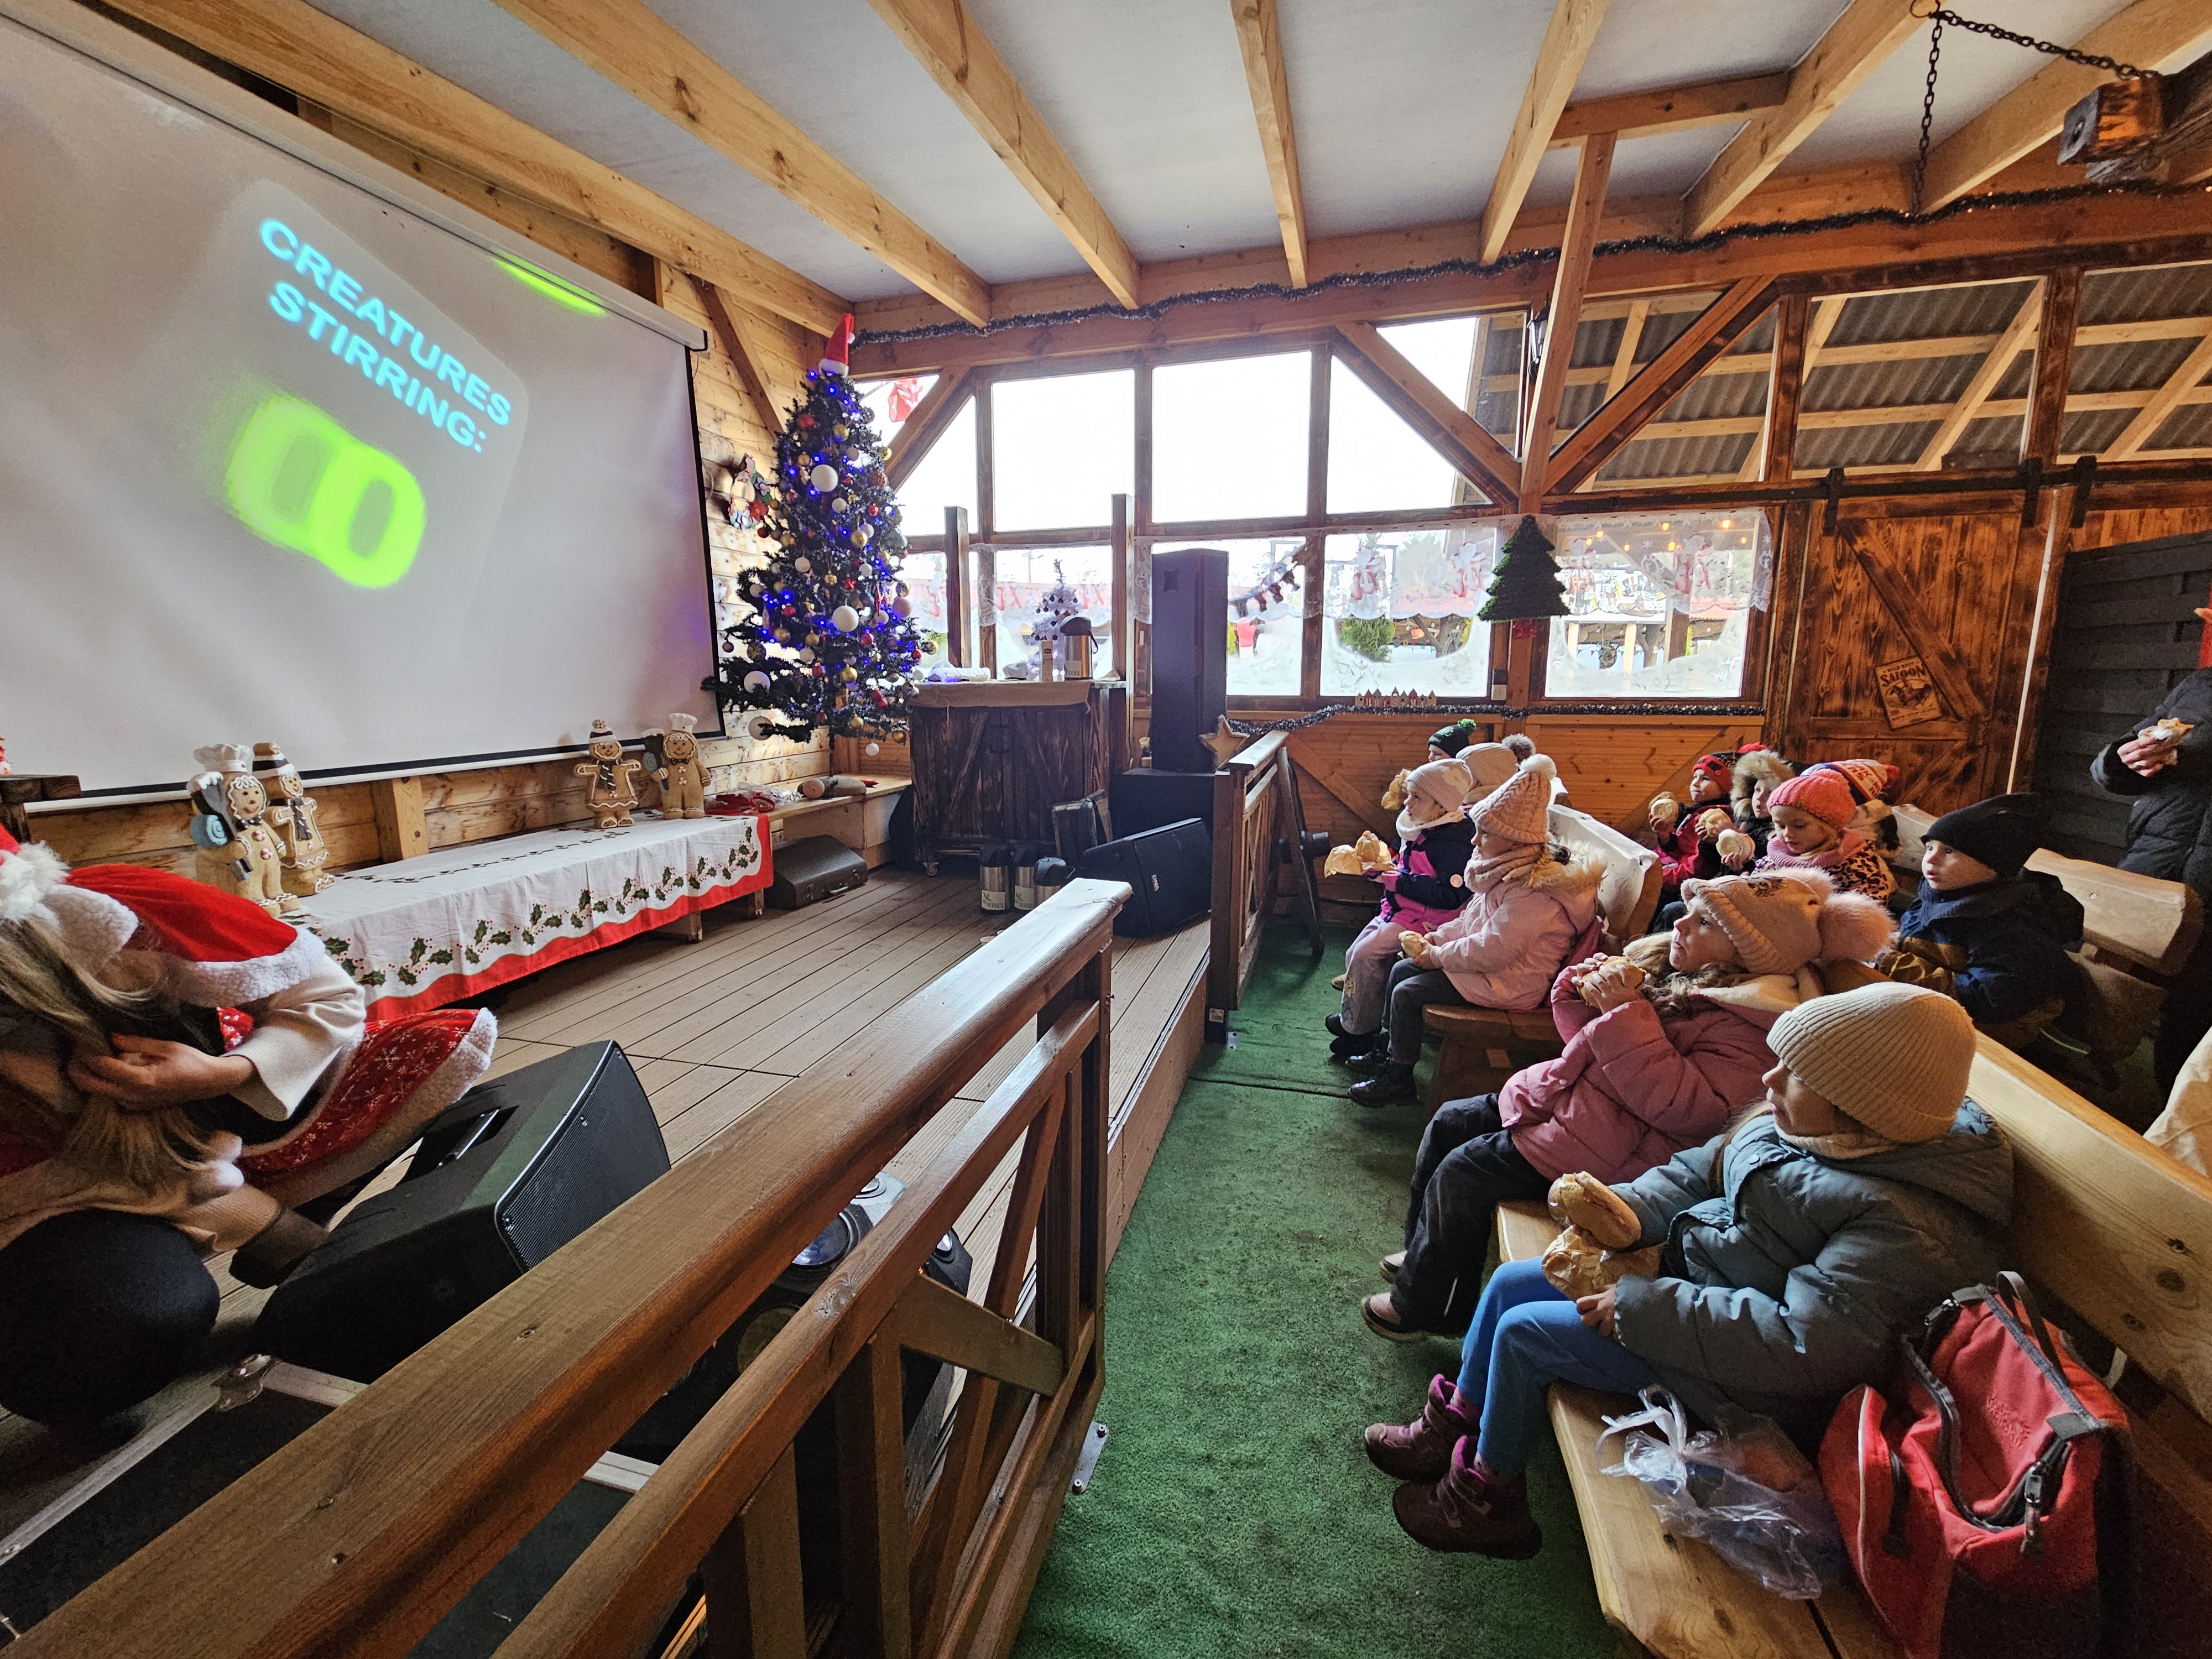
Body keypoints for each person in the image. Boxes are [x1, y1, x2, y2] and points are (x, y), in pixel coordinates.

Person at [1365, 982, 2012, 1557]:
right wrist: (1628, 1212)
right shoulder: (1804, 1130)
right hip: (1692, 1295)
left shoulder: (1902, 1222)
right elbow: (1696, 1172)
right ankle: (1458, 1421)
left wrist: (1642, 1308)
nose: (1769, 1079)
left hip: (1743, 1377)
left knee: (1526, 1334)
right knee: (1511, 1282)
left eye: (1795, 1074)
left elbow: (1807, 1343)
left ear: (1860, 1104)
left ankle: (1489, 1498)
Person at [0, 828, 495, 1425]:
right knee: (96, 1342)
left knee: (433, 1048)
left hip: (197, 1127)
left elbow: (328, 996)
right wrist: (267, 1226)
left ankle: (300, 1216)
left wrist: (226, 1074)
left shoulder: (113, 909)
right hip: (40, 1206)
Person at [1361, 868, 1895, 1339]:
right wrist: (1581, 995)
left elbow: (1688, 1110)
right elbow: (1592, 1045)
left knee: (1465, 1173)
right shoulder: (1685, 977)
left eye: (1704, 923)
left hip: (1623, 1151)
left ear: (1751, 954)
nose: (1680, 924)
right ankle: (1426, 1254)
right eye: (1689, 913)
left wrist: (1624, 1013)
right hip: (1581, 1107)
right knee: (1450, 1122)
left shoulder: (1753, 1025)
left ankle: (1428, 1305)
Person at [1344, 756, 1601, 1109]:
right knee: (1403, 969)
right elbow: (1471, 919)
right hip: (1493, 970)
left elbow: (1495, 949)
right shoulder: (1505, 870)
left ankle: (1399, 1077)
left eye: (1485, 834)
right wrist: (1437, 938)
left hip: (1510, 983)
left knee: (1407, 992)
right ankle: (1389, 1052)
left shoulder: (1533, 891)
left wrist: (1437, 956)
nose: (1475, 840)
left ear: (1514, 841)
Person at [1877, 793, 2081, 1050]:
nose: (1931, 859)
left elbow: (1989, 1001)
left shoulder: (2008, 927)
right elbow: (1917, 940)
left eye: (1950, 851)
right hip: (1937, 1011)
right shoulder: (1940, 894)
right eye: (1930, 847)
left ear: (1992, 865)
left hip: (1993, 1037)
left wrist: (1893, 963)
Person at [2090, 661, 2212, 1090]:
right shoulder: (2202, 685)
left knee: (2194, 1019)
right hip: (2154, 870)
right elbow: (2117, 760)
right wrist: (2122, 760)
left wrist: (2188, 758)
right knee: (2116, 996)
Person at [1328, 759, 1477, 1060]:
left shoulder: (1452, 843)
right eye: (1410, 795)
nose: (1407, 802)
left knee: (1365, 955)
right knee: (1355, 953)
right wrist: (1379, 869)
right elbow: (1405, 868)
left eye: (1417, 797)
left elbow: (1451, 895)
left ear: (1441, 806)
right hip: (1402, 910)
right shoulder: (1423, 828)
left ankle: (1360, 1033)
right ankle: (1358, 1020)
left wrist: (1398, 882)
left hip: (1428, 921)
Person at [1756, 767, 1895, 902]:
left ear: (1829, 825)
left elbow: (1870, 908)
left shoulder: (1855, 867)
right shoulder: (1774, 858)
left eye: (1799, 826)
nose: (1787, 833)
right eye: (1780, 826)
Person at [1648, 753, 1736, 905]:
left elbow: (1699, 869)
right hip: (1680, 873)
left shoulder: (1713, 821)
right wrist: (1665, 837)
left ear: (1724, 789)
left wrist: (1661, 878)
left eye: (1705, 779)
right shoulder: (1697, 812)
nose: (1695, 783)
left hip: (1690, 886)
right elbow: (1684, 849)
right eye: (1695, 777)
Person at [1730, 750, 1795, 864]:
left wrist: (1736, 838)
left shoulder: (1778, 835)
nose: (1760, 797)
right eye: (1758, 790)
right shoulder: (1742, 820)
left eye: (1770, 792)